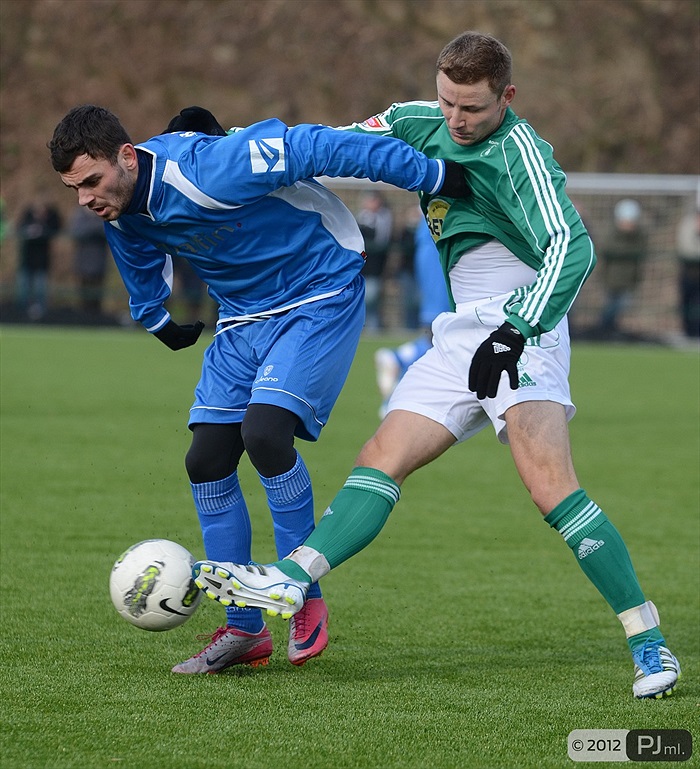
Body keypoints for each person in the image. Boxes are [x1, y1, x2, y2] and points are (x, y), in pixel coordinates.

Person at [193, 32, 680, 700]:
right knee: (381, 456)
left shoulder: (521, 154)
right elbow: (323, 143)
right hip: (458, 334)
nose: (457, 118)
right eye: (448, 101)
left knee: (549, 486)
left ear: (506, 97)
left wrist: (518, 331)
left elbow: (572, 247)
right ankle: (290, 578)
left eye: (473, 108)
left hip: (521, 322)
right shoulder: (413, 123)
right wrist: (231, 145)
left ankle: (647, 636)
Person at [48, 104, 469, 674]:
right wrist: (155, 317)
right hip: (244, 316)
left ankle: (303, 593)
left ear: (126, 157)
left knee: (266, 435)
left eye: (91, 182)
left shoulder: (211, 166)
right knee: (207, 458)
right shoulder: (121, 208)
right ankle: (244, 629)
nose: (85, 199)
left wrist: (431, 174)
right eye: (74, 189)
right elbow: (138, 251)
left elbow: (320, 146)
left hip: (318, 289)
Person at [375, 212, 451, 417]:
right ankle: (399, 377)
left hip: (439, 241)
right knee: (445, 335)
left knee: (444, 335)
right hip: (441, 244)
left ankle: (401, 357)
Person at [597, 198, 649, 337]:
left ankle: (611, 329)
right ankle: (604, 328)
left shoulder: (638, 236)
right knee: (613, 305)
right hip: (612, 279)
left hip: (629, 279)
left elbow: (642, 252)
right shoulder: (612, 234)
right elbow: (607, 249)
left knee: (622, 305)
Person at [16, 195, 62, 320]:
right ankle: (21, 315)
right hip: (27, 259)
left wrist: (43, 229)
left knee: (40, 289)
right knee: (24, 288)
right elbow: (19, 228)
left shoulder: (51, 216)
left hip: (42, 260)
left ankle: (41, 316)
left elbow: (57, 227)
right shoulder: (28, 215)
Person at [355, 190, 393, 331]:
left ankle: (372, 329)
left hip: (374, 268)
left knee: (370, 299)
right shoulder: (360, 217)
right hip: (359, 269)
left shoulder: (383, 217)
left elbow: (381, 240)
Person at [69, 203, 109, 315]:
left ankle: (95, 317)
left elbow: (106, 230)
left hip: (99, 260)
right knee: (83, 291)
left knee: (97, 291)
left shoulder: (102, 213)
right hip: (83, 260)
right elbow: (77, 232)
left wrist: (92, 230)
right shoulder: (79, 215)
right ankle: (83, 316)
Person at [676, 204, 700, 339]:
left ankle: (696, 333)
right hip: (688, 272)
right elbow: (686, 249)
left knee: (697, 304)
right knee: (686, 303)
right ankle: (688, 333)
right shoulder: (687, 226)